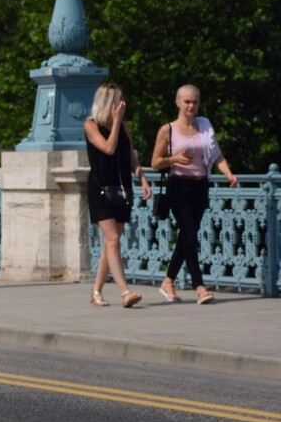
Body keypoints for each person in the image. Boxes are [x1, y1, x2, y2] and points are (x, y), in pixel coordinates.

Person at [149, 84, 238, 304]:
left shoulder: (204, 126)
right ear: (177, 102)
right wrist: (174, 159)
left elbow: (216, 154)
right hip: (179, 186)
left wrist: (228, 173)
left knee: (187, 236)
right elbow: (155, 162)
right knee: (189, 234)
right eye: (187, 101)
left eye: (195, 102)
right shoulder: (167, 130)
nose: (191, 106)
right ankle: (199, 286)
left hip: (200, 186)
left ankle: (168, 280)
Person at [84, 83, 151, 308]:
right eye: (117, 100)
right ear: (107, 102)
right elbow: (108, 148)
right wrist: (115, 123)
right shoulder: (90, 125)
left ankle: (96, 291)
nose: (121, 105)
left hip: (121, 188)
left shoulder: (124, 126)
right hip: (101, 188)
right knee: (112, 239)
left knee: (111, 242)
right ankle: (125, 292)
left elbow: (130, 155)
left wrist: (142, 177)